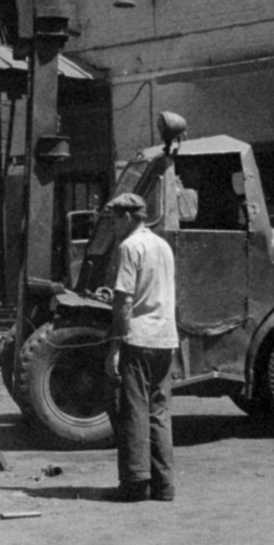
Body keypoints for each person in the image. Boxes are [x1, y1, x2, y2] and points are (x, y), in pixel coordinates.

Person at [103, 191, 179, 502]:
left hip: (139, 339)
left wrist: (115, 347)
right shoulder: (162, 246)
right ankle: (165, 486)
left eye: (113, 220)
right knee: (159, 413)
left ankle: (135, 485)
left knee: (134, 410)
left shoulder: (129, 247)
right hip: (165, 338)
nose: (112, 226)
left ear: (126, 217)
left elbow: (124, 302)